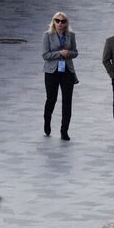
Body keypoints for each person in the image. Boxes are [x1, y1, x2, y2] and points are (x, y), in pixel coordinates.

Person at [41, 12, 79, 141]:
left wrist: (68, 53)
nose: (60, 24)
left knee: (67, 101)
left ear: (66, 23)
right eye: (57, 21)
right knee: (51, 99)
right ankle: (47, 121)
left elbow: (75, 52)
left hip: (67, 71)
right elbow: (45, 55)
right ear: (53, 22)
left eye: (63, 21)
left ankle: (64, 131)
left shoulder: (71, 36)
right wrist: (59, 53)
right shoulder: (47, 36)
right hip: (52, 71)